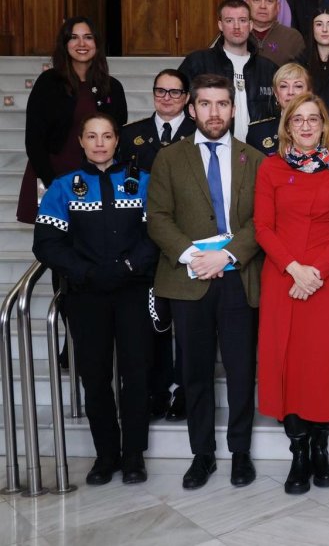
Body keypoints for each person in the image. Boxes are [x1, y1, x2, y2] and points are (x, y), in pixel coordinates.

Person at [146, 74, 265, 490]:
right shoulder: (169, 158)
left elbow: (261, 221)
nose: (214, 112)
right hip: (188, 278)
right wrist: (194, 256)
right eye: (206, 104)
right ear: (191, 109)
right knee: (194, 373)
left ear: (233, 110)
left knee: (239, 370)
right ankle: (202, 455)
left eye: (222, 104)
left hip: (238, 279)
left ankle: (241, 453)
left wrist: (228, 254)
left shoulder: (255, 158)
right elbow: (158, 217)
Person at [33, 113, 155, 485]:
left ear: (118, 140)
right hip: (87, 297)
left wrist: (129, 266)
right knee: (95, 378)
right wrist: (87, 271)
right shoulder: (63, 187)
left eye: (106, 136)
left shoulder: (143, 183)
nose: (99, 143)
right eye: (92, 136)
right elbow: (46, 243)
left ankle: (134, 455)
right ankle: (106, 456)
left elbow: (158, 235)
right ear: (82, 142)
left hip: (133, 292)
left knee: (136, 377)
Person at [254, 93, 329, 495]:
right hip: (284, 276)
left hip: (327, 279)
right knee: (289, 362)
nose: (305, 126)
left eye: (312, 119)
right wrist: (295, 268)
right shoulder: (270, 168)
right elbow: (263, 227)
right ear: (287, 125)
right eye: (297, 119)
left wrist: (315, 272)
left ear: (324, 124)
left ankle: (321, 448)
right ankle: (298, 451)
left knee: (323, 363)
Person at [118, 69, 196, 421]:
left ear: (186, 98)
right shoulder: (130, 135)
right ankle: (158, 388)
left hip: (190, 241)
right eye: (160, 91)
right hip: (145, 243)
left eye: (175, 92)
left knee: (189, 323)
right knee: (155, 321)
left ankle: (183, 390)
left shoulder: (199, 134)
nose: (167, 97)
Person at [19, 17, 128, 225]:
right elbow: (34, 140)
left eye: (88, 37)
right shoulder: (48, 83)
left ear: (96, 43)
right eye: (74, 38)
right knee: (52, 240)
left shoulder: (112, 87)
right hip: (52, 173)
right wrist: (54, 183)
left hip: (96, 177)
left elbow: (118, 136)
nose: (81, 44)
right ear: (65, 44)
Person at [180, 0, 279, 142]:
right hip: (212, 147)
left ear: (251, 25)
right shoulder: (197, 63)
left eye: (243, 20)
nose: (237, 26)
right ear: (220, 25)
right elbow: (180, 103)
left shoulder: (269, 68)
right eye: (229, 20)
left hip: (259, 151)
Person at [247, 62, 311, 156]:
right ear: (276, 94)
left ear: (308, 92)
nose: (290, 92)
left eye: (298, 86)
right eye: (284, 86)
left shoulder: (323, 129)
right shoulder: (258, 132)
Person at [246, 0, 306, 69]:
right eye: (257, 0)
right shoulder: (236, 34)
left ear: (277, 7)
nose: (263, 6)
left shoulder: (293, 38)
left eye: (269, 1)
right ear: (247, 4)